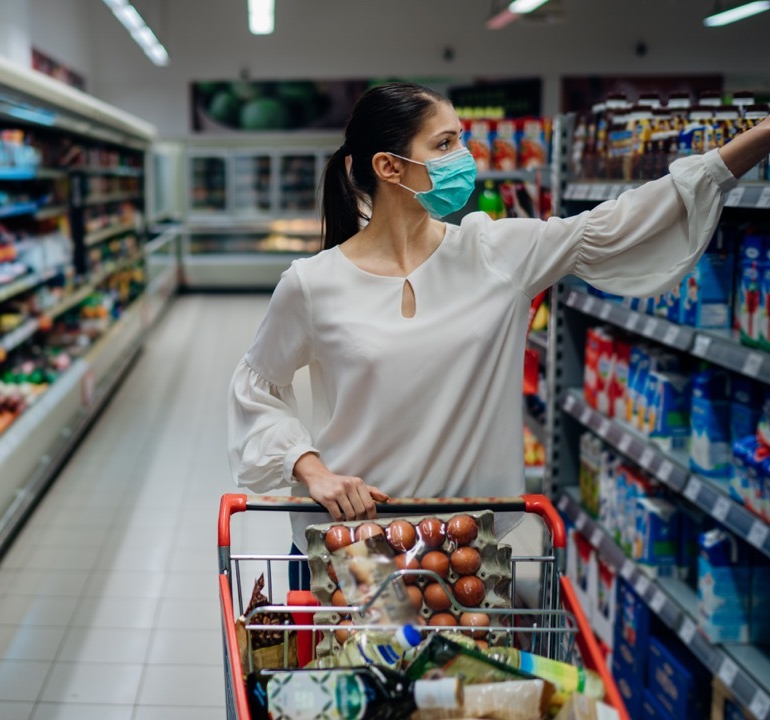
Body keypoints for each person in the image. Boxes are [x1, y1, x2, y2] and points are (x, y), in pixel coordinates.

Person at [227, 82, 770, 589]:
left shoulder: (495, 254)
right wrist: (309, 467)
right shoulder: (312, 284)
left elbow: (624, 220)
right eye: (445, 144)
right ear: (389, 167)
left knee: (471, 691)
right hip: (349, 545)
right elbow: (255, 388)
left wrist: (751, 144)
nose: (467, 158)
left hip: (468, 552)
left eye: (462, 140)